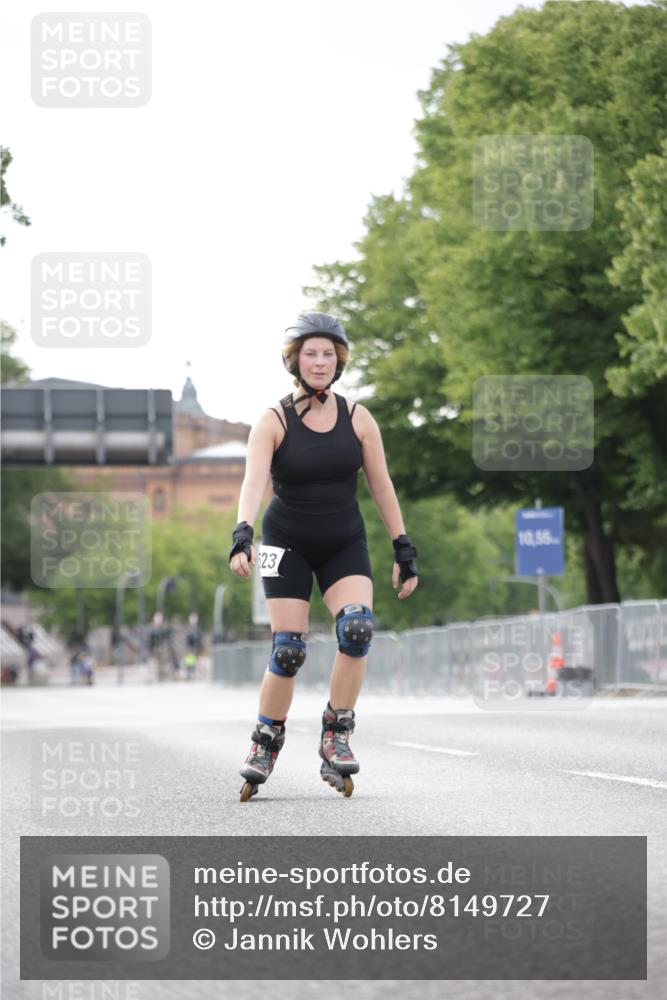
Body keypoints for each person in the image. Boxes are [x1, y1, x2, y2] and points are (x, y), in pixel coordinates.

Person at [228, 312, 418, 800]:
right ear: (295, 361)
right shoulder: (272, 420)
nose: (319, 361)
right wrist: (242, 533)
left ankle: (337, 731)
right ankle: (266, 739)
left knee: (357, 630)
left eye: (328, 354)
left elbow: (381, 484)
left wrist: (403, 545)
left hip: (342, 540)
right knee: (288, 650)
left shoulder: (359, 418)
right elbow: (254, 481)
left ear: (339, 362)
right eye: (311, 353)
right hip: (283, 542)